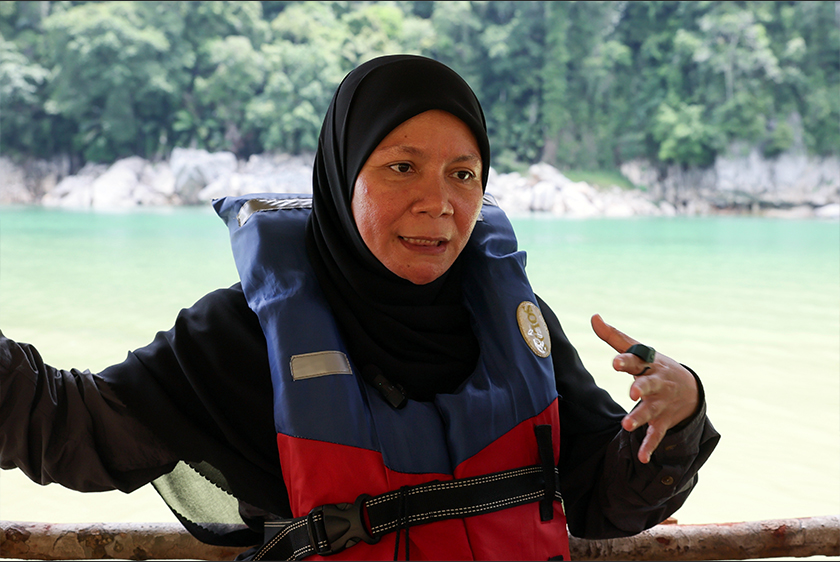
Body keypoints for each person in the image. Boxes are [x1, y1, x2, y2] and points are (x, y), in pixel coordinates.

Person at [0, 54, 719, 561]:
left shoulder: (514, 326)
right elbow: (69, 425)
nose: (438, 202)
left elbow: (606, 502)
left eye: (463, 174)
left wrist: (678, 416)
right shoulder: (242, 337)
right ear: (343, 177)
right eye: (401, 166)